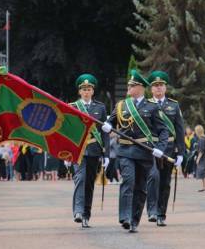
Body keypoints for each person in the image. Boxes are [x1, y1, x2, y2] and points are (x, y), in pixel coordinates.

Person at [102, 69, 169, 233]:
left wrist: (160, 148)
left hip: (145, 153)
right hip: (125, 151)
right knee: (128, 181)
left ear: (140, 88)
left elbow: (163, 131)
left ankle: (134, 220)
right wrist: (107, 126)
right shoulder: (121, 105)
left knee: (140, 187)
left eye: (132, 85)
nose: (129, 87)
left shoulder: (151, 107)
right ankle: (124, 216)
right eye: (129, 85)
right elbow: (109, 123)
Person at [69, 73, 109, 228]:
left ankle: (86, 214)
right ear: (79, 91)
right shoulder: (72, 107)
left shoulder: (100, 107)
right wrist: (66, 153)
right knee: (80, 178)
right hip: (77, 149)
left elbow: (104, 131)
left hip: (94, 149)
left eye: (89, 89)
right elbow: (68, 130)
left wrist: (106, 154)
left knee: (89, 183)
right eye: (83, 89)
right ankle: (78, 211)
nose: (86, 92)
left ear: (93, 91)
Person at [145, 71, 185, 226]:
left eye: (161, 85)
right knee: (152, 178)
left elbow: (180, 130)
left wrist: (181, 153)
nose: (158, 88)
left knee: (165, 182)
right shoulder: (146, 104)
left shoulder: (173, 105)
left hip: (168, 149)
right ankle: (152, 211)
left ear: (165, 87)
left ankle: (161, 213)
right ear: (151, 88)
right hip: (150, 149)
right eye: (155, 86)